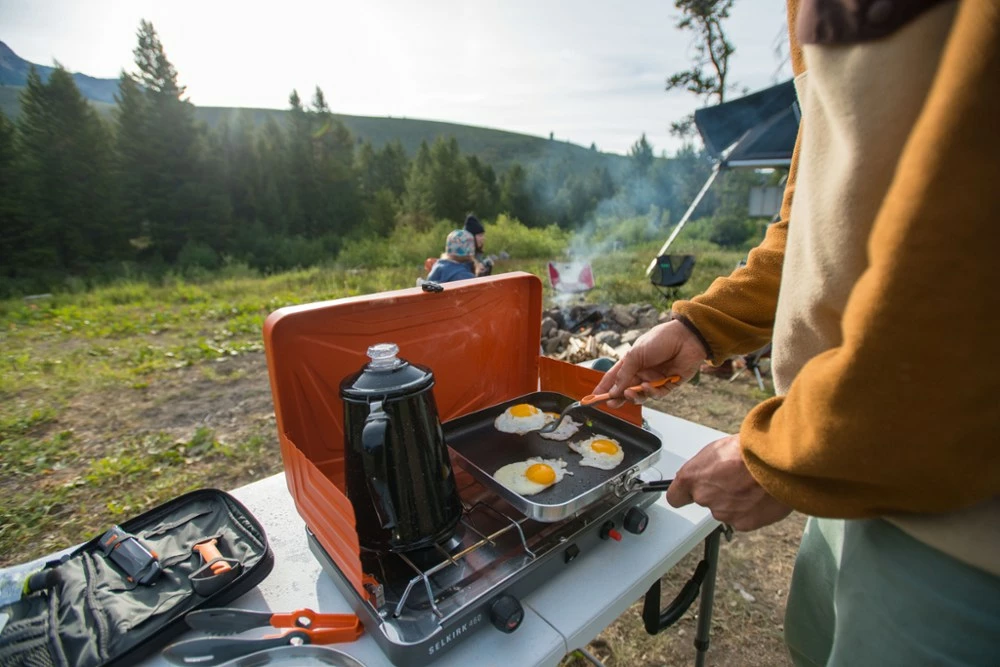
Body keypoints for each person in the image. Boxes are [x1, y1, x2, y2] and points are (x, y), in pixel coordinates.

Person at [594, 2, 999, 665]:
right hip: (844, 456)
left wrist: (787, 456)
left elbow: (975, 262)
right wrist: (699, 325)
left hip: (960, 525)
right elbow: (817, 222)